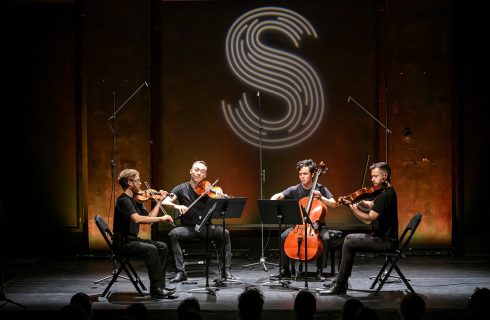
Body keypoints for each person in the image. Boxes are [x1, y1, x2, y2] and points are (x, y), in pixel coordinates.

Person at [323, 162, 399, 295]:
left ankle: (340, 284)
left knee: (349, 240)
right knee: (349, 240)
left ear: (384, 176)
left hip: (386, 242)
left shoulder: (385, 196)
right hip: (382, 238)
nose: (372, 179)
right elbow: (372, 211)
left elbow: (369, 219)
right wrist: (360, 205)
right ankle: (341, 280)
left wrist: (352, 208)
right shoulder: (387, 192)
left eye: (375, 176)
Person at [163, 160, 235, 283]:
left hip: (206, 227)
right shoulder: (180, 188)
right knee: (173, 234)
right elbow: (165, 202)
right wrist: (176, 206)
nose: (198, 173)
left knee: (225, 233)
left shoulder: (209, 190)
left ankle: (226, 271)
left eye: (202, 171)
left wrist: (221, 196)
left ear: (205, 175)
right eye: (196, 170)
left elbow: (219, 204)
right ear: (191, 171)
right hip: (188, 228)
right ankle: (180, 272)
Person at [112, 168, 177, 299]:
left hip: (132, 240)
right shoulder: (124, 201)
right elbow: (137, 219)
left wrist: (159, 201)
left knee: (162, 247)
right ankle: (156, 289)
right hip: (123, 243)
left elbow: (149, 220)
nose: (140, 183)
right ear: (129, 183)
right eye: (137, 180)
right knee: (151, 249)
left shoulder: (135, 201)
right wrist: (162, 218)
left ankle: (160, 285)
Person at [270, 159, 339, 280]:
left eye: (305, 174)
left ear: (313, 174)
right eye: (300, 174)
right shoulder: (295, 189)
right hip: (300, 225)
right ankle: (284, 270)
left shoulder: (320, 188)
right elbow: (279, 195)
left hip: (317, 226)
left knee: (326, 238)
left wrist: (321, 197)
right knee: (283, 236)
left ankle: (319, 270)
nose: (302, 177)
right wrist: (273, 199)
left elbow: (334, 204)